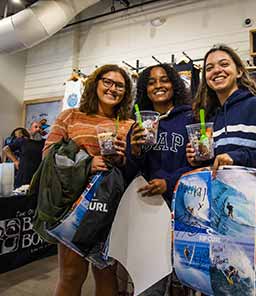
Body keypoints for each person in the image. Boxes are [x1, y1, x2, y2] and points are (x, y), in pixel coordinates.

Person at [186, 44, 256, 293]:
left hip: (253, 230)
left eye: (224, 64)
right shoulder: (208, 117)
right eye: (209, 68)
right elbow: (215, 168)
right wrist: (198, 160)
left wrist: (239, 158)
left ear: (239, 70)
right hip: (215, 227)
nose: (216, 70)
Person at [44, 64, 134, 296]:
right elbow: (48, 155)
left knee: (106, 273)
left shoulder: (129, 124)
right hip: (75, 208)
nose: (113, 88)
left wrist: (124, 159)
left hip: (113, 207)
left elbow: (137, 167)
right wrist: (87, 163)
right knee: (72, 274)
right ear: (95, 83)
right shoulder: (70, 116)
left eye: (120, 86)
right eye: (108, 82)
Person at [127, 63, 193, 295]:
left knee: (181, 278)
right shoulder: (138, 123)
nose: (158, 86)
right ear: (145, 89)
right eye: (151, 82)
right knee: (149, 278)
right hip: (148, 209)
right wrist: (133, 151)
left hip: (183, 207)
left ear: (174, 84)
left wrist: (170, 182)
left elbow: (197, 164)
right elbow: (130, 172)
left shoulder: (190, 118)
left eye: (164, 80)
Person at [3, 122, 44, 188]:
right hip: (23, 177)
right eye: (36, 127)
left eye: (40, 128)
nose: (38, 129)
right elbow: (6, 149)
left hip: (38, 177)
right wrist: (15, 161)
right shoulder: (23, 141)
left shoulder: (45, 143)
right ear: (30, 130)